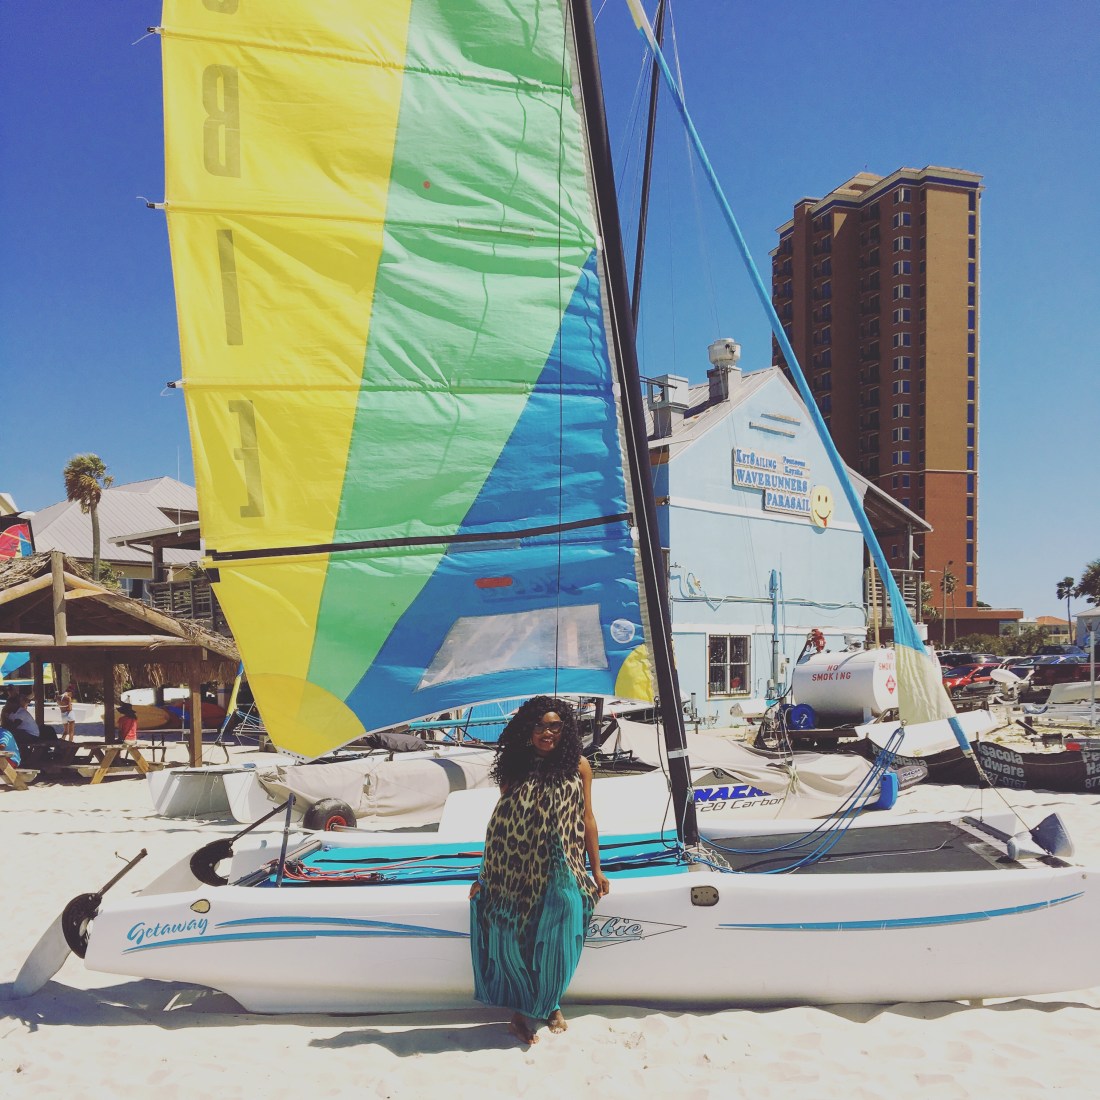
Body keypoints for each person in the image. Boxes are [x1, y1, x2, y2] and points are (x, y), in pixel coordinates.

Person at [469, 695, 610, 1046]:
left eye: (555, 727)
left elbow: (588, 818)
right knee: (520, 935)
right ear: (528, 729)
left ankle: (550, 1002)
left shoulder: (579, 765)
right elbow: (501, 821)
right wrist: (484, 876)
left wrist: (596, 869)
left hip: (561, 863)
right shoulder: (517, 765)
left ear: (565, 729)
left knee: (564, 928)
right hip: (516, 864)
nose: (548, 733)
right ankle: (521, 1013)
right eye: (540, 727)